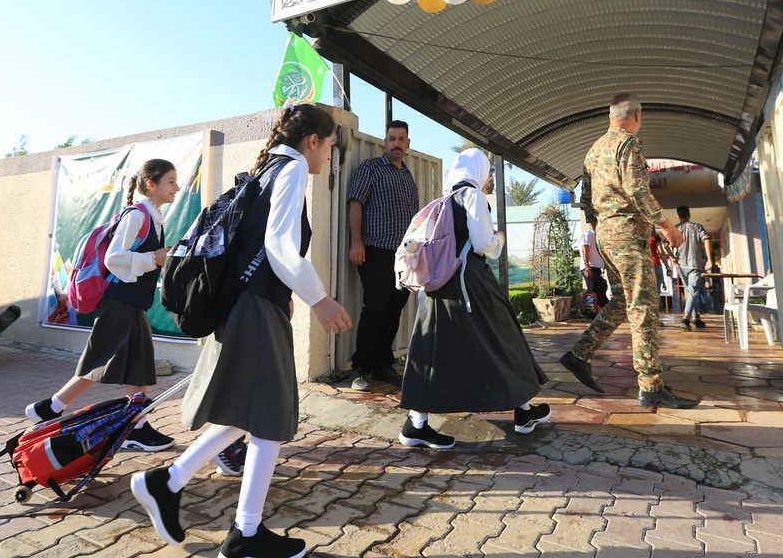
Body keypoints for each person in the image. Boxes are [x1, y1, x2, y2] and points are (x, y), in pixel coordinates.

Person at [131, 104, 354, 557]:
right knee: (269, 416)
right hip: (254, 310)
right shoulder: (291, 170)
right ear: (313, 140)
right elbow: (278, 246)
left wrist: (282, 289)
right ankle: (244, 534)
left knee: (249, 412)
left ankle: (168, 484)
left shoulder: (269, 168)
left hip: (245, 305)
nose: (328, 156)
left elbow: (255, 248)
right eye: (330, 146)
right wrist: (320, 297)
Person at [398, 149, 550, 449]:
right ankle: (523, 412)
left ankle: (416, 424)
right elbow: (482, 243)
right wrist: (500, 241)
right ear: (480, 171)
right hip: (470, 284)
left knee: (432, 350)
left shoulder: (442, 200)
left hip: (438, 288)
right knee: (503, 337)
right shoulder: (473, 197)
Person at [24, 159, 179, 452]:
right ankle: (51, 408)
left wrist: (159, 257)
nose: (177, 187)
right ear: (151, 184)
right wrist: (153, 259)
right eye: (170, 181)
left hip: (131, 304)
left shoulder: (153, 216)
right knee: (100, 361)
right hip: (119, 302)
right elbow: (114, 259)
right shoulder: (137, 216)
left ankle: (134, 425)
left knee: (138, 366)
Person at [558, 94, 699, 409]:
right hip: (626, 236)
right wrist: (667, 226)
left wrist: (603, 227)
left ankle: (580, 354)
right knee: (644, 308)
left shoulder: (593, 151)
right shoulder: (628, 145)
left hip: (606, 236)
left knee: (622, 301)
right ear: (637, 116)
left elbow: (585, 200)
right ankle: (650, 386)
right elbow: (637, 189)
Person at [346, 120, 420, 391]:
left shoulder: (407, 176)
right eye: (392, 138)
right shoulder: (371, 169)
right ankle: (360, 368)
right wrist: (356, 242)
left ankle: (382, 365)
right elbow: (356, 203)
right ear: (384, 142)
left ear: (408, 144)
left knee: (393, 312)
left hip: (402, 258)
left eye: (401, 139)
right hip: (375, 251)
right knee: (375, 309)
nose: (396, 144)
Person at [675, 205, 713, 331]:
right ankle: (686, 318)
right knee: (693, 291)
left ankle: (696, 317)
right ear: (689, 214)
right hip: (695, 264)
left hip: (682, 265)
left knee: (691, 292)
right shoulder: (697, 226)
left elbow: (665, 244)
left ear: (677, 215)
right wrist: (709, 259)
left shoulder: (675, 229)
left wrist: (672, 258)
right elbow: (706, 239)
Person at [576, 213, 607, 313]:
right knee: (592, 292)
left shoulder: (596, 235)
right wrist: (587, 267)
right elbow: (585, 250)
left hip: (596, 268)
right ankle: (590, 313)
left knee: (601, 288)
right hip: (591, 267)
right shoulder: (588, 234)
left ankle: (599, 311)